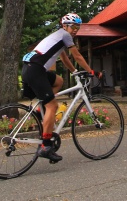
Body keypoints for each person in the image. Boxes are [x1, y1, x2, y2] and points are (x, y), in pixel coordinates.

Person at [21, 12, 95, 163]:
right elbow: (77, 56)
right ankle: (46, 146)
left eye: (78, 27)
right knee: (53, 106)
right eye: (73, 26)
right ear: (65, 26)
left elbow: (64, 58)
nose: (75, 30)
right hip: (36, 70)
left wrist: (74, 72)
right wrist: (91, 71)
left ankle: (42, 106)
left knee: (59, 81)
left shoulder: (58, 36)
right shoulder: (65, 35)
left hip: (29, 68)